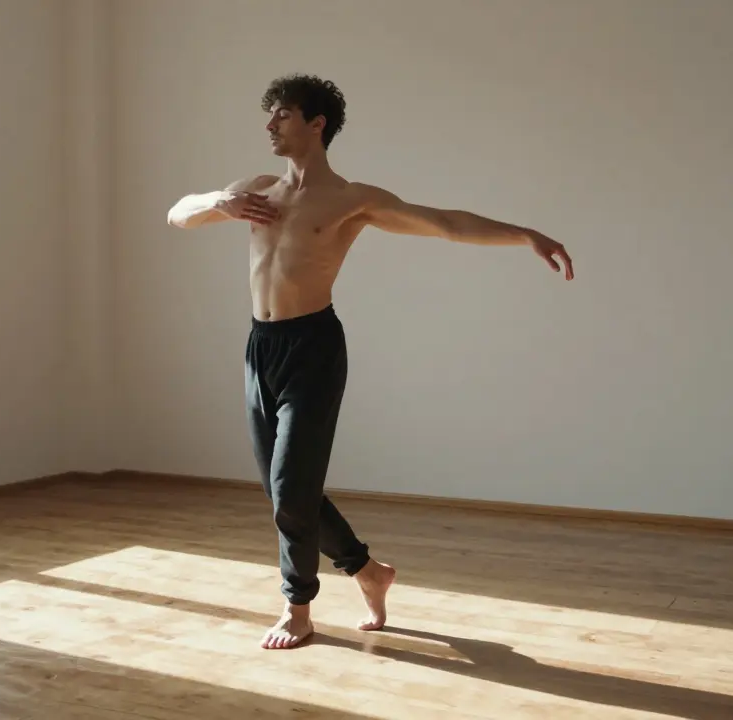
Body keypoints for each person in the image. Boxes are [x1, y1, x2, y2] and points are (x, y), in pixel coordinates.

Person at [166, 74, 573, 650]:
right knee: (286, 490)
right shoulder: (255, 190)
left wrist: (524, 235)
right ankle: (366, 571)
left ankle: (297, 608)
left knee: (290, 489)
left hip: (313, 347)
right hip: (261, 347)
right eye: (269, 115)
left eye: (282, 114)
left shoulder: (349, 199)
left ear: (316, 124)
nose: (269, 125)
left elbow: (446, 223)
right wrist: (218, 202)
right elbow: (177, 214)